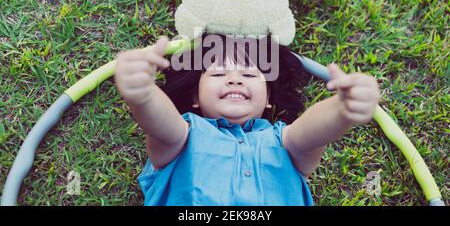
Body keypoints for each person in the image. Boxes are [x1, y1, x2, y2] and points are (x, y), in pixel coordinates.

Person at [114, 33, 380, 205]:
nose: (234, 78)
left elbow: (312, 133)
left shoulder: (283, 140)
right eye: (218, 74)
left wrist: (341, 110)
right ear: (194, 97)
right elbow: (160, 126)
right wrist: (144, 95)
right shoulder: (184, 135)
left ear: (268, 100)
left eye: (251, 75)